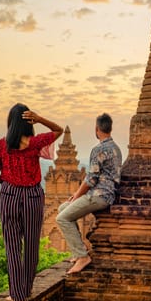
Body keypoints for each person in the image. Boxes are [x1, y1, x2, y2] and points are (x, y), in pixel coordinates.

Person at [0, 103, 63, 301]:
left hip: (9, 196)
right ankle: (26, 289)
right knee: (31, 245)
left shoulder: (0, 145)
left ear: (10, 123)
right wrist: (39, 119)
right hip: (32, 196)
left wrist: (9, 183)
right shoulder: (35, 143)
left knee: (12, 246)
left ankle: (17, 294)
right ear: (28, 122)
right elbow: (58, 130)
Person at [56, 113, 122, 274]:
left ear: (97, 129)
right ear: (110, 128)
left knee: (62, 218)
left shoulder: (99, 149)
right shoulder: (116, 148)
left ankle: (82, 256)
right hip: (106, 194)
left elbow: (91, 180)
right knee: (62, 208)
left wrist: (76, 195)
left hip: (99, 196)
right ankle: (81, 248)